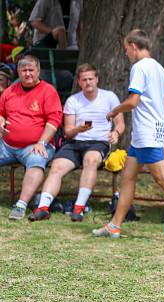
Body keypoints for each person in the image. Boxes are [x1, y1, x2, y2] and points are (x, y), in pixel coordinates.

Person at [92, 29, 164, 245]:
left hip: (146, 133)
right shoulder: (160, 68)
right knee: (128, 177)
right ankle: (114, 225)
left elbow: (133, 101)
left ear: (134, 46)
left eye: (126, 50)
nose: (126, 54)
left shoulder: (139, 67)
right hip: (149, 133)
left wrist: (115, 110)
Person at [28, 63, 124, 222]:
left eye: (91, 79)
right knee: (57, 166)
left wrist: (116, 132)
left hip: (98, 142)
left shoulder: (109, 97)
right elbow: (68, 132)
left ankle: (78, 208)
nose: (88, 83)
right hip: (75, 142)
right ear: (79, 82)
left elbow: (121, 124)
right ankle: (43, 208)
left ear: (97, 79)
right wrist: (78, 129)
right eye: (84, 80)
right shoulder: (73, 100)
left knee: (90, 160)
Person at [0, 55, 62, 220]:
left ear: (38, 71)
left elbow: (54, 120)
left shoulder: (48, 91)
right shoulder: (9, 91)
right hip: (6, 145)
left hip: (35, 145)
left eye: (31, 70)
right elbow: (1, 113)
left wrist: (42, 142)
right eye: (23, 70)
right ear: (18, 72)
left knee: (36, 159)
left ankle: (21, 205)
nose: (27, 74)